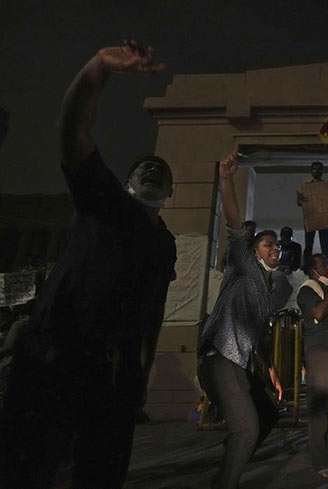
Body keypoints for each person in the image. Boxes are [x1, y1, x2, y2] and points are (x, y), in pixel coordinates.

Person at [0, 40, 176, 489]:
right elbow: (72, 128)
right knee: (27, 470)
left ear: (169, 194)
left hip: (115, 376)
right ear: (126, 183)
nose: (153, 170)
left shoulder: (164, 244)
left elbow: (152, 311)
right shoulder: (103, 200)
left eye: (162, 170)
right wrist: (99, 68)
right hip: (54, 357)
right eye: (145, 167)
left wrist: (142, 372)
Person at [198, 146, 284, 489]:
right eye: (267, 244)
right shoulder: (243, 266)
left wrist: (273, 371)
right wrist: (225, 182)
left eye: (276, 245)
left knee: (268, 416)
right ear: (253, 251)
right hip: (219, 359)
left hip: (243, 365)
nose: (274, 248)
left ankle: (234, 452)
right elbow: (234, 224)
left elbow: (259, 337)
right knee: (247, 428)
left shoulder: (269, 290)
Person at [296, 254, 328, 479]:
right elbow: (318, 313)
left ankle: (322, 452)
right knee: (319, 408)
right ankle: (319, 461)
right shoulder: (307, 291)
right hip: (320, 352)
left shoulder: (326, 290)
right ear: (312, 270)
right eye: (323, 264)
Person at [297, 161, 328, 265]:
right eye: (314, 168)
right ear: (311, 171)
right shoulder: (306, 187)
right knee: (308, 244)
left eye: (319, 168)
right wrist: (300, 198)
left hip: (324, 218)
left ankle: (326, 265)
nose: (317, 171)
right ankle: (307, 266)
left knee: (324, 245)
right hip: (310, 218)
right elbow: (299, 203)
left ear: (322, 171)